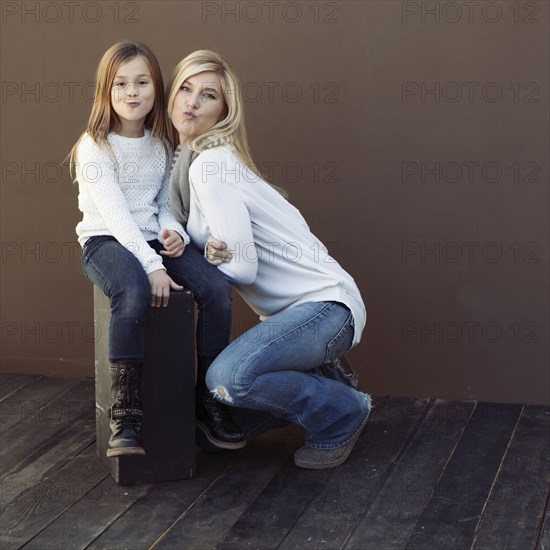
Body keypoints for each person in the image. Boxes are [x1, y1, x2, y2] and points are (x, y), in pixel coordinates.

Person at [167, 50, 370, 469]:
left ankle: (344, 411)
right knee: (219, 426)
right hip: (300, 316)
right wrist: (206, 248)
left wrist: (211, 256)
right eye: (186, 88)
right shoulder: (193, 165)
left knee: (227, 380)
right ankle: (323, 376)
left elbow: (243, 269)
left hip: (326, 308)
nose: (192, 101)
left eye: (208, 95)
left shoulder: (211, 166)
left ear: (224, 111)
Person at [70, 42, 245, 457]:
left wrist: (173, 234)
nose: (132, 92)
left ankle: (209, 400)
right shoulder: (94, 146)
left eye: (142, 82)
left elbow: (163, 204)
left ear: (157, 89)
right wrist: (152, 265)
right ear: (106, 91)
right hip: (106, 239)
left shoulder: (161, 143)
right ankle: (126, 415)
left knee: (216, 288)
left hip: (149, 239)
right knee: (131, 291)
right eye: (121, 84)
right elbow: (117, 218)